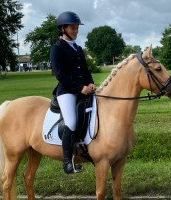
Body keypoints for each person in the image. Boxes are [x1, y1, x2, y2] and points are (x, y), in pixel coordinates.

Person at [51, 11, 96, 174]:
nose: (75, 31)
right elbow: (60, 74)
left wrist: (90, 83)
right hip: (67, 91)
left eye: (77, 28)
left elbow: (85, 70)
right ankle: (67, 163)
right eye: (72, 28)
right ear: (63, 28)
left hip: (83, 89)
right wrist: (79, 88)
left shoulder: (78, 48)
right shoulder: (57, 49)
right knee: (71, 122)